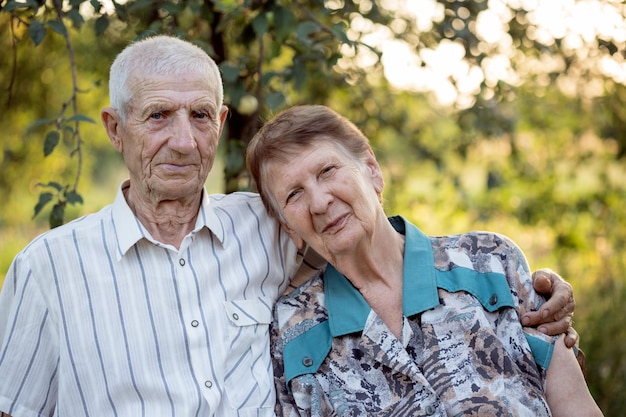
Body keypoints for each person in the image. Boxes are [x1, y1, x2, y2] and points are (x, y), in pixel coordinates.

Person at [0, 36, 575, 417]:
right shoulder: (46, 270)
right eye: (157, 116)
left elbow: (383, 249)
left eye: (200, 115)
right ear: (114, 127)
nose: (182, 140)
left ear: (220, 123)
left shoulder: (265, 225)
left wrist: (530, 288)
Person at [245, 104, 603, 416]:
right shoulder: (292, 332)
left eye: (327, 171)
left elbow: (576, 407)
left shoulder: (491, 263)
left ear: (372, 169)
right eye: (294, 194)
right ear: (288, 227)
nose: (320, 201)